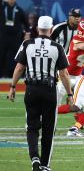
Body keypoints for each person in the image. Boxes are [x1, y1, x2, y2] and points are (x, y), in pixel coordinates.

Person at [8, 16, 73, 171]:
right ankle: (45, 165)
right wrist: (70, 95)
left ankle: (34, 158)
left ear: (37, 29)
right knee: (49, 130)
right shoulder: (57, 47)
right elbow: (64, 73)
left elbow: (19, 68)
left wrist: (12, 86)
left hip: (31, 90)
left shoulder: (27, 44)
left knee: (32, 127)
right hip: (50, 90)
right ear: (50, 29)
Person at [0, 0, 28, 77]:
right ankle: (2, 74)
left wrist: (27, 33)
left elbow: (26, 23)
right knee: (2, 55)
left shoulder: (19, 10)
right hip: (3, 37)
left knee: (16, 56)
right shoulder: (1, 8)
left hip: (16, 38)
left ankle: (14, 74)